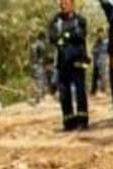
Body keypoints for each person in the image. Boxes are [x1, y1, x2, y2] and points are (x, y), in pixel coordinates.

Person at [49, 0, 89, 131]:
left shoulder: (80, 20)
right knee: (64, 93)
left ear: (72, 4)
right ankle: (69, 122)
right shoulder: (56, 21)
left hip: (78, 61)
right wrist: (68, 36)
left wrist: (64, 36)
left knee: (80, 92)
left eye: (66, 3)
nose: (63, 5)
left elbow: (80, 35)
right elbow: (53, 38)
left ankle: (83, 121)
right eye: (61, 3)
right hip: (62, 62)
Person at [30, 32, 50, 103]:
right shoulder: (40, 45)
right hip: (39, 65)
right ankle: (40, 98)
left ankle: (37, 97)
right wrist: (46, 64)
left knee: (35, 81)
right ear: (42, 38)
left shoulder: (32, 45)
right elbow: (42, 57)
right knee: (41, 81)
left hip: (32, 65)